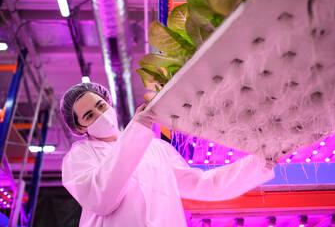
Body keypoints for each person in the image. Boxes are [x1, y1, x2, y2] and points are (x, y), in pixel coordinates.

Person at [60, 82, 276, 227]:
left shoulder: (155, 149)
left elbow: (203, 184)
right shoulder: (79, 157)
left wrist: (259, 163)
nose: (101, 115)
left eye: (101, 106)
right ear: (79, 128)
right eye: (89, 115)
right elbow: (101, 199)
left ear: (109, 103)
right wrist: (136, 132)